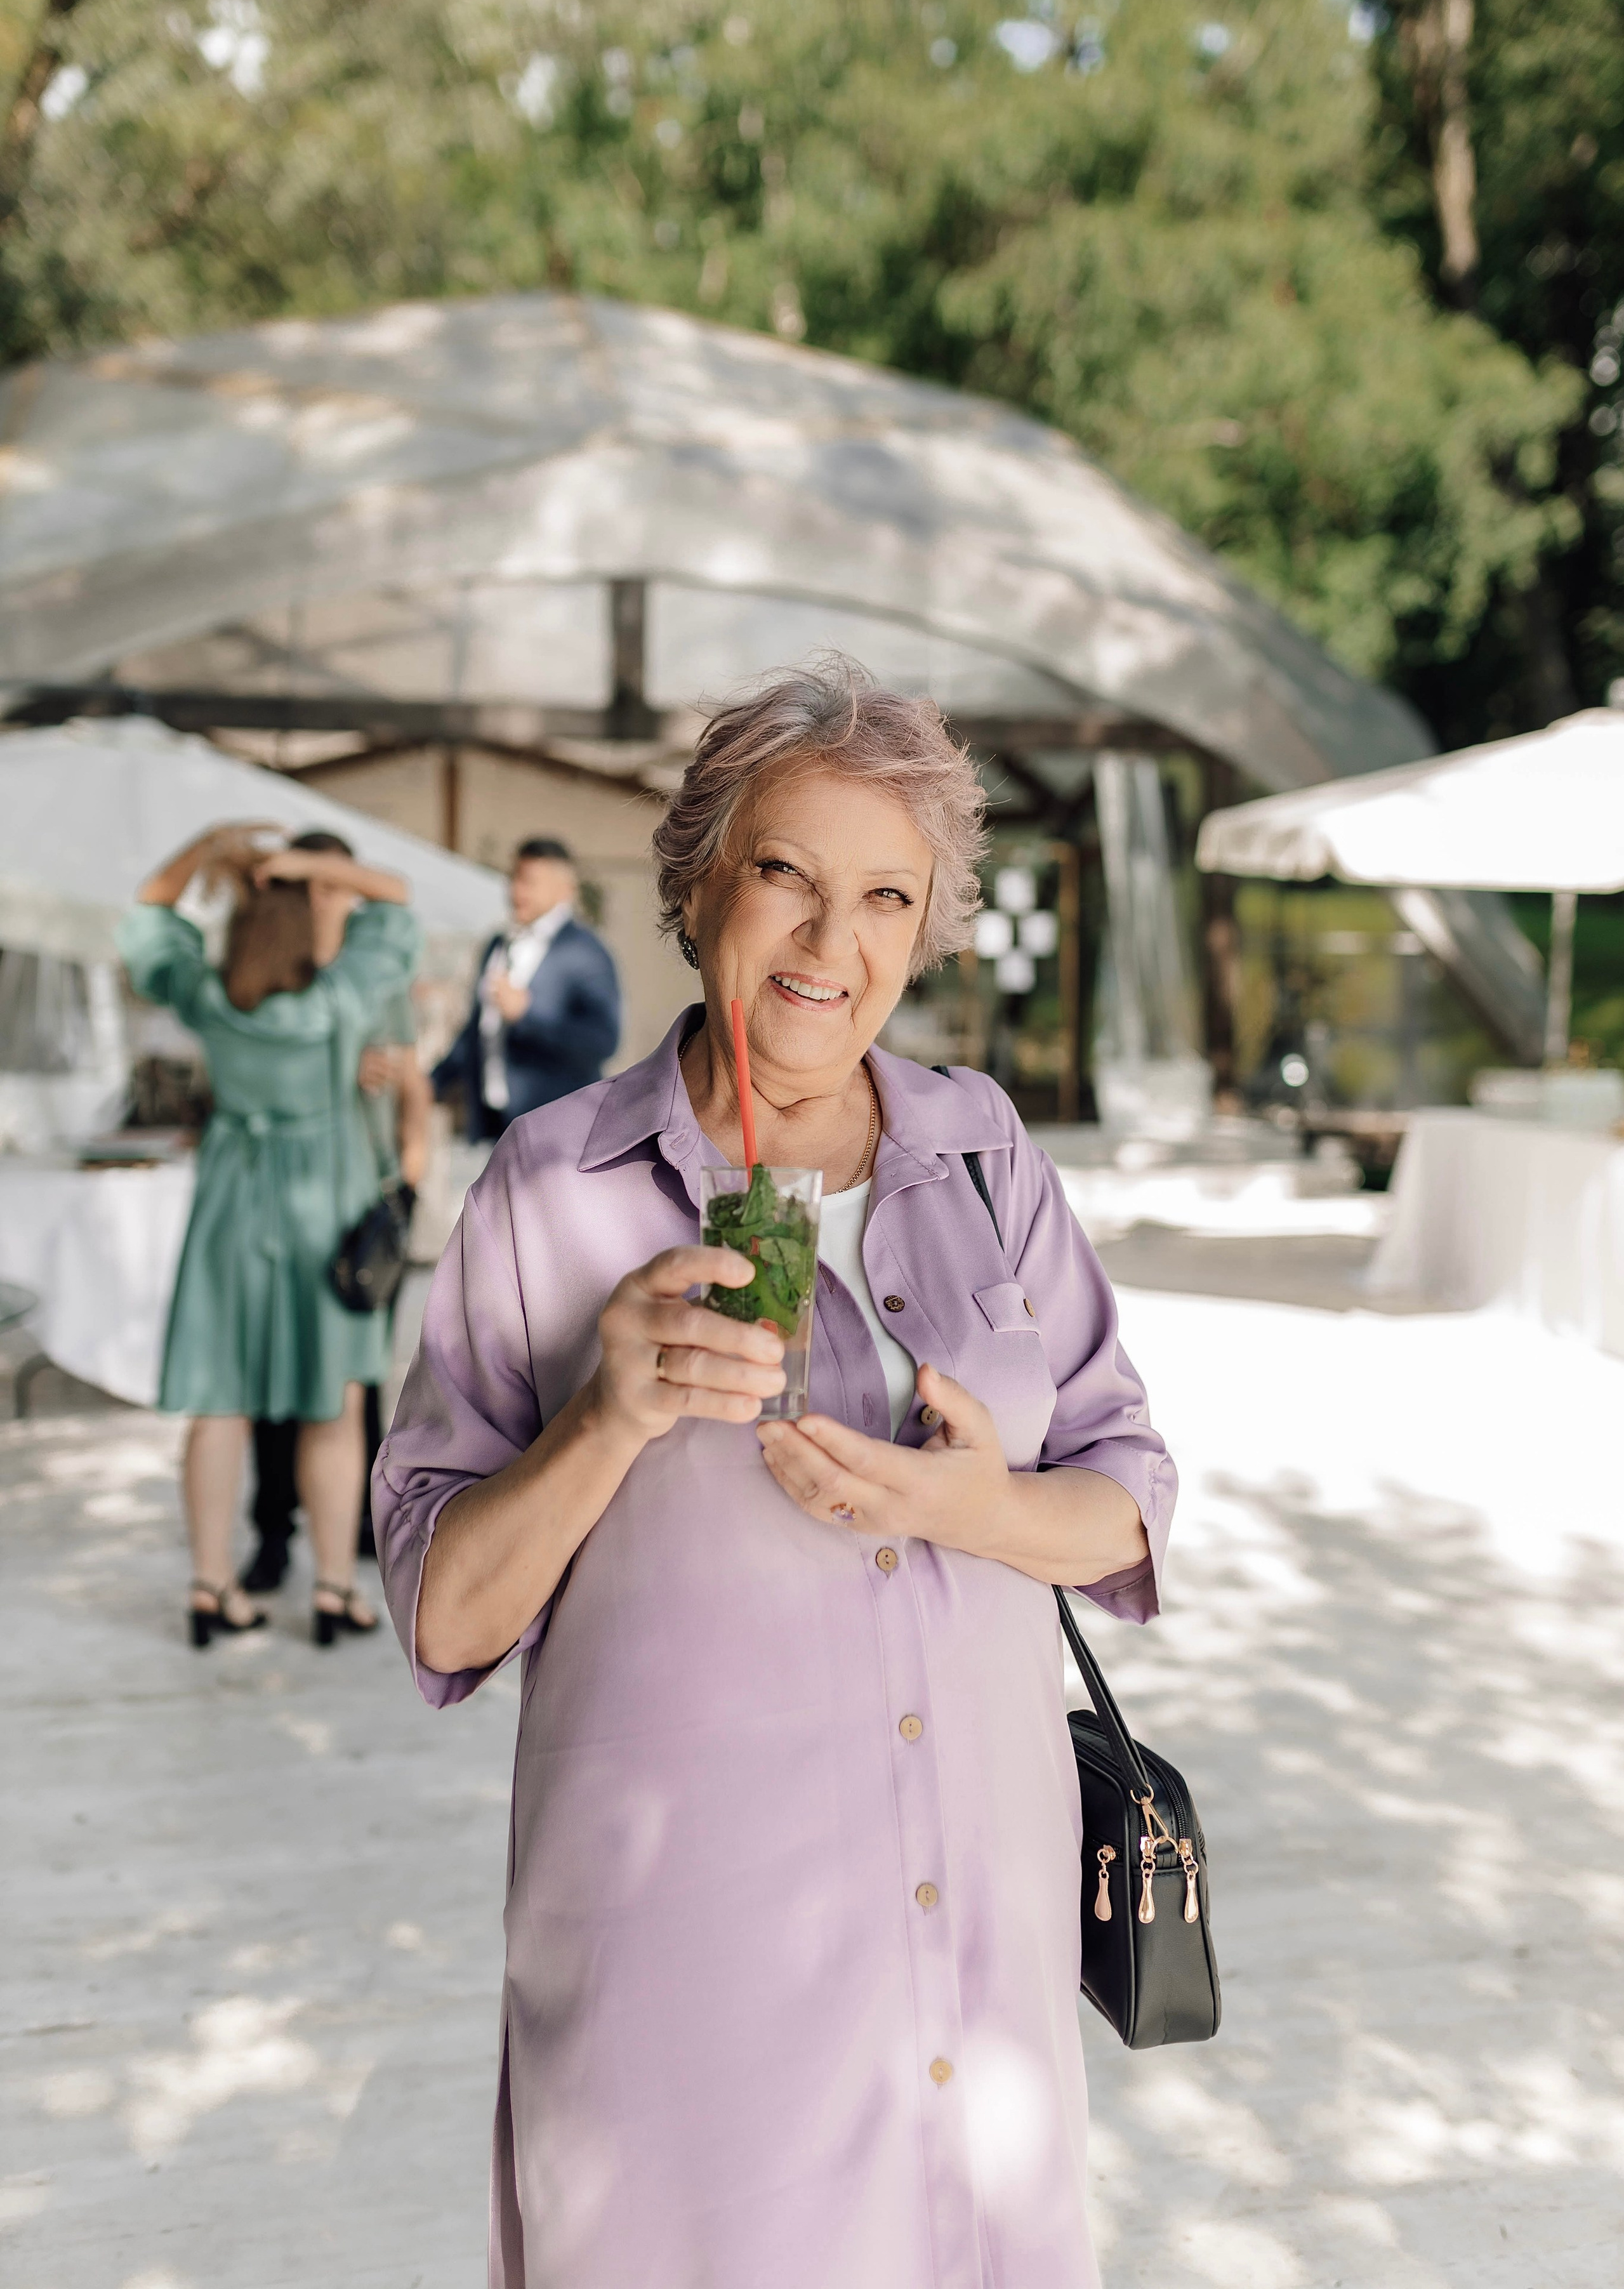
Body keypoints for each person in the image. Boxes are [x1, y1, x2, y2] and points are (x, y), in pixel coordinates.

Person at [374, 659, 1174, 2289]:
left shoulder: (979, 1154)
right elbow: (444, 1617)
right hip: (693, 2014)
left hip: (978, 2006)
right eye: (784, 876)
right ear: (699, 883)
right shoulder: (555, 1183)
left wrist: (971, 1507)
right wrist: (602, 1412)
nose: (830, 943)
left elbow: (1125, 1490)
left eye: (884, 894)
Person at [117, 823, 420, 1649]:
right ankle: (331, 1591)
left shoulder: (210, 999)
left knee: (219, 1404)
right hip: (324, 1211)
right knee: (334, 1404)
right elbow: (395, 901)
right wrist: (308, 865)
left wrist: (212, 845)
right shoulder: (339, 1001)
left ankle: (211, 1587)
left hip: (229, 1207)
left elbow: (148, 915)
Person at [241, 830, 428, 1595]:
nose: (332, 901)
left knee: (357, 1380)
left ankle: (353, 1523)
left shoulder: (375, 972)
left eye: (339, 885)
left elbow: (414, 1084)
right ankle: (272, 1533)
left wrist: (411, 1173)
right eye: (316, 886)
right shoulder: (267, 973)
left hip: (364, 1203)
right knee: (273, 1380)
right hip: (283, 1206)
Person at [432, 836, 621, 1140]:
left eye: (529, 881)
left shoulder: (587, 953)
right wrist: (433, 1081)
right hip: (493, 1125)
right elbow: (479, 1029)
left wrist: (527, 1016)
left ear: (564, 889)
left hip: (557, 1131)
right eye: (514, 879)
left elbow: (603, 1042)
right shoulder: (498, 943)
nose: (515, 892)